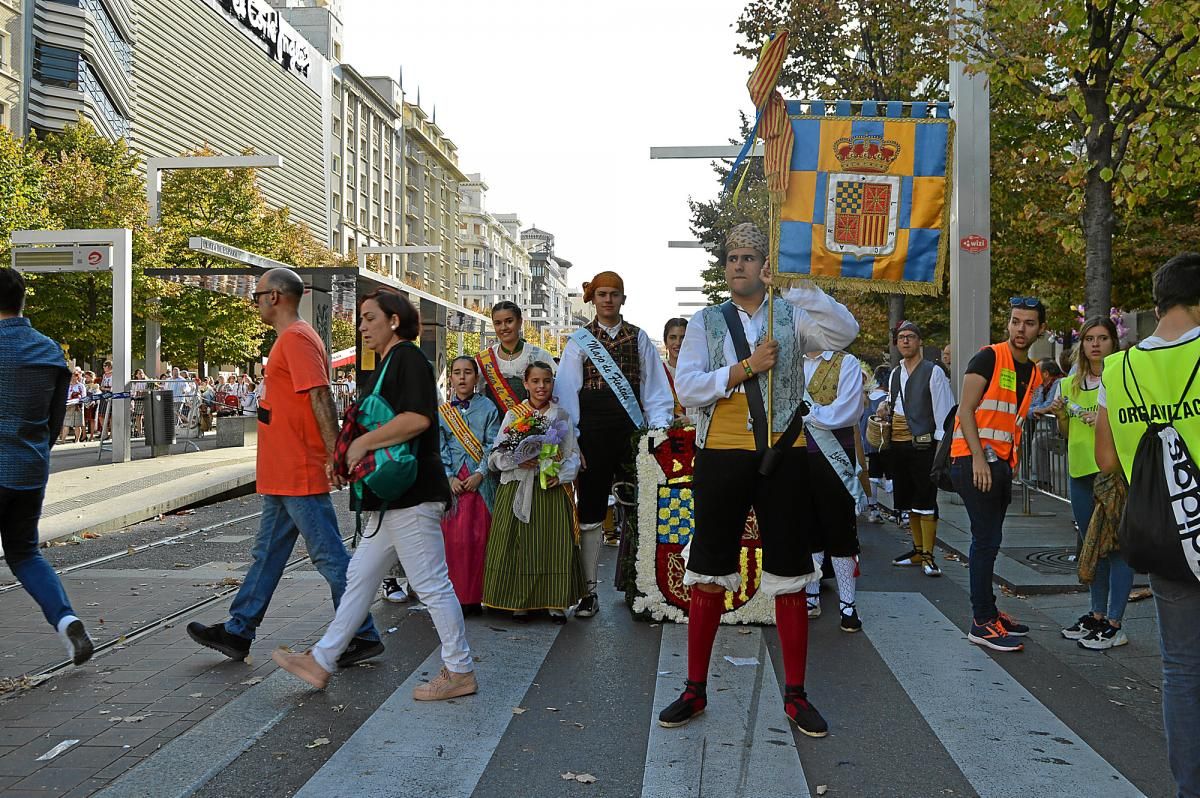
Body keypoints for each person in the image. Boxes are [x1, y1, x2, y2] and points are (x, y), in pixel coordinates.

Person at [657, 222, 859, 735]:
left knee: (791, 570)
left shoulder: (791, 316)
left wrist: (797, 287)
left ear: (763, 266)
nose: (739, 265)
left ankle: (796, 694)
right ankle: (694, 688)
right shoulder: (705, 322)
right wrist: (747, 366)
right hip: (722, 456)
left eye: (749, 257)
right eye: (733, 258)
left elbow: (844, 332)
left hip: (783, 457)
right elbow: (690, 387)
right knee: (707, 567)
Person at [273, 289, 476, 700]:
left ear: (394, 320)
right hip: (393, 498)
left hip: (413, 494)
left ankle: (460, 670)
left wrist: (362, 446)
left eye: (369, 318)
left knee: (432, 584)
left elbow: (417, 419)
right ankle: (322, 660)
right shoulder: (388, 362)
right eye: (361, 320)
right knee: (359, 578)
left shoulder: (408, 359)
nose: (362, 326)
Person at [188, 268, 381, 666]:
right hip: (283, 471)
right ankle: (239, 630)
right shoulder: (292, 339)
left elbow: (320, 395)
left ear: (274, 297)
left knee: (328, 555)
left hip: (298, 469)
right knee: (267, 554)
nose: (254, 301)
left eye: (256, 295)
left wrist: (334, 454)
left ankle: (361, 633)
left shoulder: (296, 338)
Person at [1095, 253, 1200, 797]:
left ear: (1158, 304)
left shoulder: (1118, 369)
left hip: (1165, 537)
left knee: (1182, 669)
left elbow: (1108, 460)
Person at [555, 271, 674, 617]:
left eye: (614, 294)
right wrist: (573, 442)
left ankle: (643, 588)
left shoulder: (638, 339)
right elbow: (566, 393)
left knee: (639, 510)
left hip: (630, 434)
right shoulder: (579, 340)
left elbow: (653, 390)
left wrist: (657, 431)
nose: (608, 300)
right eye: (602, 294)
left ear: (624, 298)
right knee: (590, 512)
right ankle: (588, 592)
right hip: (591, 433)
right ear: (593, 299)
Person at [0, 268, 93, 666]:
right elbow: (54, 425)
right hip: (28, 469)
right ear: (22, 301)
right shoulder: (50, 351)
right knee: (24, 553)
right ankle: (65, 618)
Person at [950, 297, 1045, 652]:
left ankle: (988, 611)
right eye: (1016, 322)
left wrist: (1007, 464)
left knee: (990, 541)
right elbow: (966, 409)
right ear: (1008, 324)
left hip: (999, 464)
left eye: (1029, 323)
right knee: (985, 542)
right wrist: (978, 459)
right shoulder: (989, 356)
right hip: (974, 460)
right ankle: (981, 621)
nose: (1021, 329)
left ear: (1040, 328)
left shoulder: (1033, 371)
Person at [1051, 316, 1134, 649]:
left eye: (1102, 338)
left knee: (1116, 547)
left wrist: (1104, 419)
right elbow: (1067, 433)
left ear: (1114, 342)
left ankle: (1116, 622)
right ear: (1081, 344)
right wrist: (1060, 415)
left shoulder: (1122, 377)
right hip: (1080, 473)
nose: (1095, 344)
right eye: (1089, 339)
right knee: (1091, 545)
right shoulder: (1069, 383)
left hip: (1112, 473)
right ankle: (1096, 615)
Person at [482, 361, 585, 623]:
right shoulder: (514, 415)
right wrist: (517, 459)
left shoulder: (560, 415)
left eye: (547, 381)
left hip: (549, 487)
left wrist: (560, 475)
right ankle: (519, 602)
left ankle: (554, 601)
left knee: (552, 543)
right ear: (526, 384)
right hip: (518, 485)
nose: (541, 386)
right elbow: (496, 453)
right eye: (536, 381)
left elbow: (572, 453)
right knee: (518, 544)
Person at [801, 348, 867, 630]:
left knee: (840, 531)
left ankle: (848, 605)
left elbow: (848, 410)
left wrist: (810, 414)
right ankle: (811, 595)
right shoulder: (791, 359)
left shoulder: (846, 362)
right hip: (797, 456)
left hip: (834, 457)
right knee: (808, 529)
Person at [885, 321, 954, 577]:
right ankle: (917, 550)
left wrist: (939, 452)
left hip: (925, 446)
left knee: (926, 499)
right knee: (908, 499)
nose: (905, 341)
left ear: (919, 341)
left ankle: (928, 554)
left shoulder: (933, 372)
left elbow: (944, 414)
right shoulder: (895, 374)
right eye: (901, 337)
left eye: (911, 337)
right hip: (899, 442)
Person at [438, 356, 501, 613]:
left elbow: (493, 443)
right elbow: (438, 446)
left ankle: (478, 596)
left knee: (480, 540)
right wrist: (449, 476)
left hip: (479, 484)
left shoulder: (488, 408)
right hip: (454, 484)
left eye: (467, 373)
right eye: (457, 373)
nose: (462, 377)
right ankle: (454, 597)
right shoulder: (443, 412)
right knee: (453, 542)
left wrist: (481, 473)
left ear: (476, 378)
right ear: (450, 378)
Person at [476, 301, 556, 416]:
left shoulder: (539, 355)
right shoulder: (484, 359)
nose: (503, 327)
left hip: (532, 425)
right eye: (498, 323)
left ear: (520, 322)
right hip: (493, 426)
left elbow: (556, 391)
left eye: (509, 321)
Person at [662, 317, 691, 423]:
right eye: (673, 337)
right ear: (665, 341)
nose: (678, 343)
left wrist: (692, 419)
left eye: (683, 337)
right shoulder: (658, 372)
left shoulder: (700, 372)